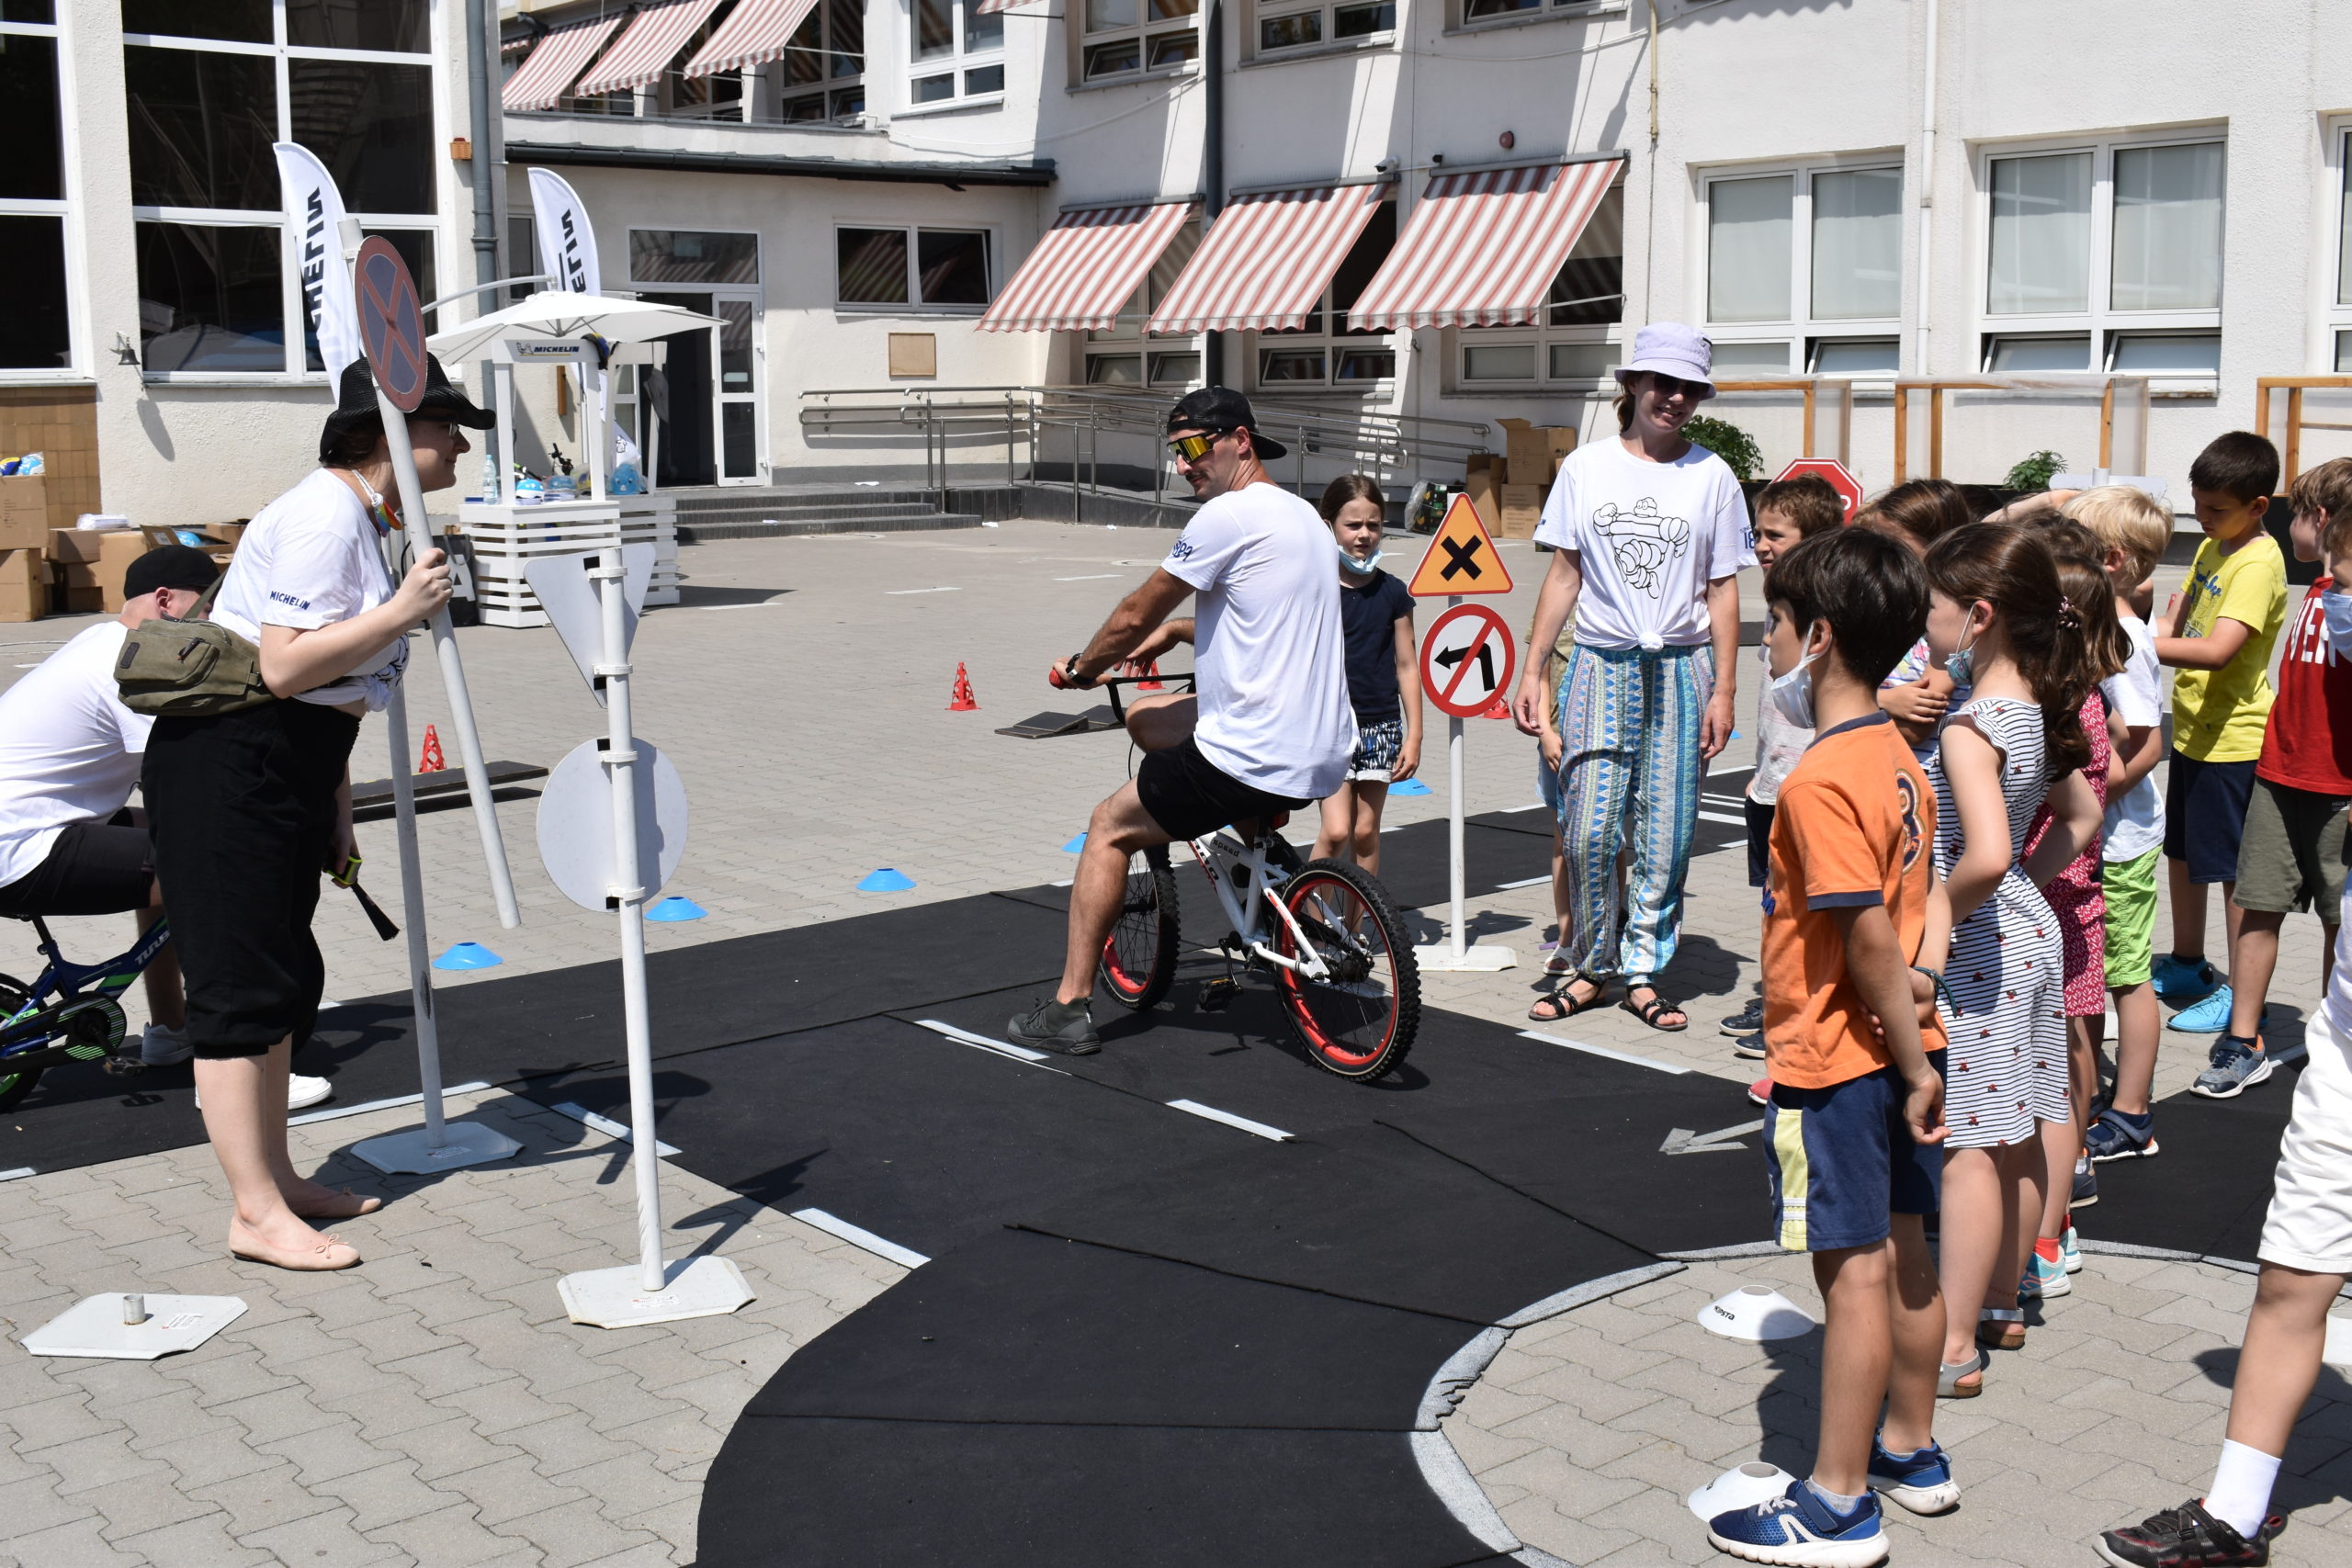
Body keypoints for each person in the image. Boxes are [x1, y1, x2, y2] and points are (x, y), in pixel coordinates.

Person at [142, 355, 486, 1272]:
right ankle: (253, 1214)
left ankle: (279, 1182)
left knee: (279, 982)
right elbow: (288, 665)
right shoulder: (326, 515)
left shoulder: (364, 518)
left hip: (287, 765)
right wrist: (404, 610)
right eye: (445, 426)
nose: (459, 444)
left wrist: (335, 805)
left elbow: (334, 692)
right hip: (230, 769)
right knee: (237, 992)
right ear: (388, 435)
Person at [1704, 525, 1955, 1567]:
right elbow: (1919, 909)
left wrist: (1913, 1064)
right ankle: (1910, 1449)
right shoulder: (1900, 758)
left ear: (1817, 639)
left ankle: (1838, 1502)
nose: (1765, 643)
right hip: (1900, 1044)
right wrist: (1921, 1034)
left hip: (1840, 1059)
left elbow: (1864, 935)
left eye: (1774, 624)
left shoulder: (1818, 778)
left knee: (1851, 1273)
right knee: (1907, 1253)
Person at [1010, 389, 1353, 1055]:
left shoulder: (1226, 516)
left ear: (1240, 441)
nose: (1183, 465)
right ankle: (1261, 863)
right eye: (1174, 452)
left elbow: (1134, 612)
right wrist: (1176, 635)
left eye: (1194, 447)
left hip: (1253, 752)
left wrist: (1083, 667)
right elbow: (1256, 608)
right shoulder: (1305, 517)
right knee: (1146, 717)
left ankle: (1069, 1006)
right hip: (1321, 746)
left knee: (1108, 826)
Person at [1510, 323, 1752, 1033]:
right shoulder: (1586, 467)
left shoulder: (1713, 476)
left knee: (1667, 834)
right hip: (1599, 661)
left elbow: (1723, 590)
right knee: (1587, 831)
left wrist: (1726, 689)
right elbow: (1565, 574)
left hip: (1681, 666)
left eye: (1689, 389)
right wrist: (1533, 670)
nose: (1674, 398)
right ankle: (1592, 965)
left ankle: (1642, 972)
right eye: (1662, 383)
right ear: (1634, 385)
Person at [1917, 522, 2102, 1393]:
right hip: (2030, 934)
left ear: (1979, 615)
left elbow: (1986, 854)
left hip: (1981, 948)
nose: (1925, 621)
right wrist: (2028, 884)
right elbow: (2082, 817)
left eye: (1934, 606)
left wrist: (1938, 911)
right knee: (2021, 1129)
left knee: (1970, 1147)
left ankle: (1953, 1343)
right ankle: (2003, 1299)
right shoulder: (2034, 706)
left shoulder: (1970, 726)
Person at [2184, 458, 2352, 1102]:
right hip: (2280, 775)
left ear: (2323, 520)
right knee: (2258, 905)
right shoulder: (2317, 591)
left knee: (2339, 922)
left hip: (2338, 789)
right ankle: (2243, 1038)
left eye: (2298, 514)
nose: (2290, 527)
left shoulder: (2344, 599)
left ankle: (2334, 1040)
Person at [2150, 433, 2290, 1099]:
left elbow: (2216, 650)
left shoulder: (2258, 563)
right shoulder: (2215, 545)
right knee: (2182, 853)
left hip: (2234, 741)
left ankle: (2240, 994)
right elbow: (2180, 616)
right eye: (2198, 505)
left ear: (2259, 506)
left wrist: (2136, 646)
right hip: (2193, 731)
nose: (2202, 519)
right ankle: (2187, 963)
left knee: (2231, 873)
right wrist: (2146, 625)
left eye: (2216, 509)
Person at [2014, 522, 2127, 1278]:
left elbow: (2082, 803)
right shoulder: (2073, 696)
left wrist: (2022, 875)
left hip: (2059, 900)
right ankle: (2051, 1213)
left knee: (2061, 1063)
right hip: (2058, 896)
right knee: (2056, 1056)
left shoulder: (2066, 705)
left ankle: (2051, 1226)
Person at [1720, 472, 1846, 1055]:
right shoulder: (1777, 602)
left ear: (1814, 540)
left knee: (1804, 911)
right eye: (1757, 533)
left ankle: (1799, 1013)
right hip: (1769, 786)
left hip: (1807, 786)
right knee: (1775, 905)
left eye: (1775, 535)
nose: (1761, 546)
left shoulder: (1827, 610)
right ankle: (1778, 996)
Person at [2070, 486, 2177, 1167]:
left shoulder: (2125, 637)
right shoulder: (2095, 623)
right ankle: (2087, 1093)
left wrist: (2088, 803)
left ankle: (2132, 1110)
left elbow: (2146, 742)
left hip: (2121, 841)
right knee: (2091, 969)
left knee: (2127, 975)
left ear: (2108, 559)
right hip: (2096, 836)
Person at [1310, 475, 1419, 878]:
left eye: (1373, 525)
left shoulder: (1393, 592)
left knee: (1366, 832)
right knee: (1337, 831)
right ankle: (1307, 913)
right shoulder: (1314, 588)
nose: (1364, 535)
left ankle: (1361, 919)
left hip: (1381, 726)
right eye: (1353, 525)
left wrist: (1415, 734)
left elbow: (1407, 666)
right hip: (1329, 725)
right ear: (1329, 525)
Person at [1858, 479, 1975, 758]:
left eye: (1895, 547)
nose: (1881, 557)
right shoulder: (1896, 609)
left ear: (1939, 543)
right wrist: (1883, 699)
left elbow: (1915, 728)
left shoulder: (1952, 624)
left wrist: (1844, 704)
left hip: (1918, 776)